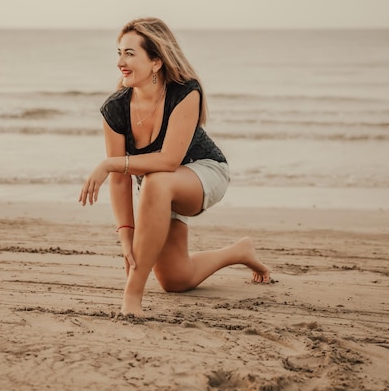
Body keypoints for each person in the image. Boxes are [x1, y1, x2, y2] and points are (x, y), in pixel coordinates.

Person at [79, 17, 270, 317]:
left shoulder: (185, 92)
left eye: (130, 53)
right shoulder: (115, 108)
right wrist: (126, 236)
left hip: (203, 171)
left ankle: (132, 297)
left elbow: (168, 160)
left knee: (157, 180)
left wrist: (109, 163)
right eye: (119, 52)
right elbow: (120, 181)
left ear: (156, 61)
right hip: (160, 187)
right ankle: (239, 252)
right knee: (175, 279)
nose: (120, 62)